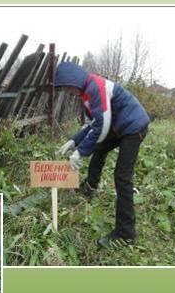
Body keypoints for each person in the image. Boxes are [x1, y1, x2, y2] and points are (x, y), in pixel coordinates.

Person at [53, 61, 150, 248]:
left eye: (67, 88)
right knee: (99, 150)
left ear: (74, 81)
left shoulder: (96, 87)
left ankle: (126, 233)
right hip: (118, 126)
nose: (68, 92)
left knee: (122, 177)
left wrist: (80, 153)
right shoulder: (86, 93)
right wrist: (74, 141)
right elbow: (92, 124)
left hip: (133, 127)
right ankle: (89, 188)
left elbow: (102, 127)